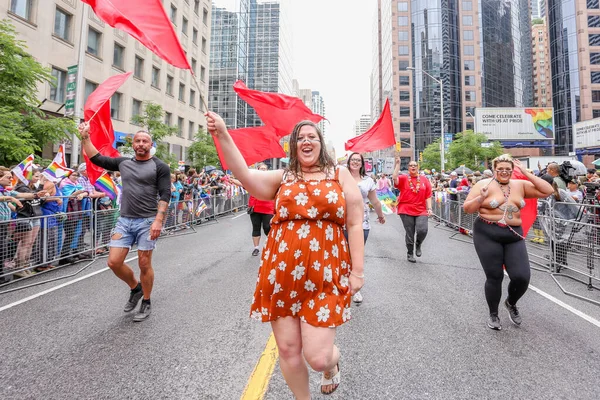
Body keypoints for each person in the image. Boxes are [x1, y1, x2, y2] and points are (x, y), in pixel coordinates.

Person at [206, 112, 364, 398]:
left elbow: (354, 222)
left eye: (311, 137)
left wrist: (357, 272)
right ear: (293, 146)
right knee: (289, 351)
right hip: (282, 276)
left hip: (326, 275)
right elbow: (243, 173)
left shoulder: (339, 175)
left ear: (321, 143)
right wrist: (223, 134)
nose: (306, 141)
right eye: (300, 138)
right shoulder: (283, 177)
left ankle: (332, 361)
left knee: (317, 357)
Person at [79, 123, 171, 322]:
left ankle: (146, 301)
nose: (140, 144)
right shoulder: (123, 163)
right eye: (137, 141)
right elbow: (96, 158)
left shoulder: (160, 166)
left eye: (144, 141)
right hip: (125, 220)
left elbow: (165, 194)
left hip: (148, 221)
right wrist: (85, 137)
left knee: (144, 263)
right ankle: (135, 288)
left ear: (151, 144)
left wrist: (158, 220)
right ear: (133, 144)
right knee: (113, 262)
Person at [463, 154, 553, 330]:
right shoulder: (483, 185)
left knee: (522, 277)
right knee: (494, 276)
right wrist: (480, 199)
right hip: (487, 233)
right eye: (500, 169)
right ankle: (493, 314)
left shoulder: (520, 185)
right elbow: (467, 209)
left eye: (508, 169)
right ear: (495, 169)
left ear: (513, 170)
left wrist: (526, 173)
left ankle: (511, 303)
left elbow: (547, 190)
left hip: (513, 235)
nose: (504, 172)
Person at [346, 152, 385, 304]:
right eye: (353, 159)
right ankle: (341, 285)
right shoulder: (341, 176)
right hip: (341, 222)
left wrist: (380, 216)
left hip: (362, 223)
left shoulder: (368, 181)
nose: (355, 162)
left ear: (362, 164)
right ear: (349, 162)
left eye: (358, 160)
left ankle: (355, 290)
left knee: (356, 256)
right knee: (343, 256)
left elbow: (375, 202)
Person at [392, 157, 433, 263]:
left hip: (421, 209)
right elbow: (394, 178)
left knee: (422, 230)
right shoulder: (404, 178)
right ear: (408, 168)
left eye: (415, 165)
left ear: (418, 167)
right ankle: (410, 253)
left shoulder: (424, 179)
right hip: (406, 209)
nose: (413, 167)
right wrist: (397, 164)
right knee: (410, 232)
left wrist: (429, 208)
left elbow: (428, 195)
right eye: (411, 165)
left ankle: (418, 243)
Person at [231, 163, 275, 257]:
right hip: (255, 207)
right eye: (261, 168)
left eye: (264, 169)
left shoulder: (271, 180)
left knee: (268, 227)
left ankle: (272, 245)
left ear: (267, 170)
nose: (263, 170)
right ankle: (256, 248)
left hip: (268, 208)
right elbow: (243, 184)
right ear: (258, 170)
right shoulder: (253, 180)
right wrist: (232, 180)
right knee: (256, 227)